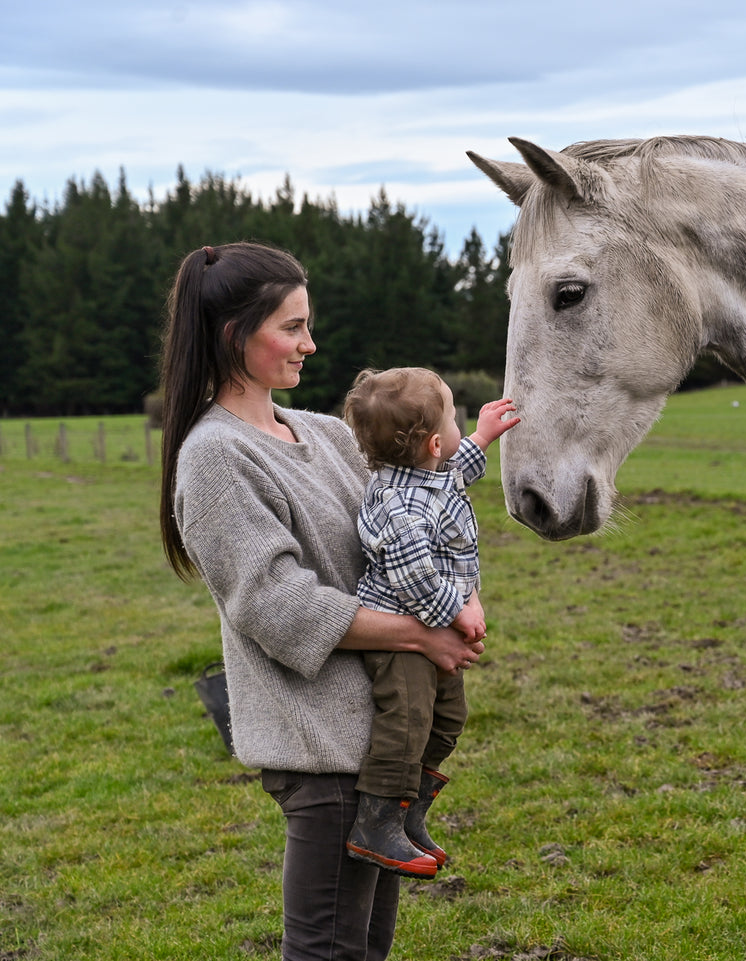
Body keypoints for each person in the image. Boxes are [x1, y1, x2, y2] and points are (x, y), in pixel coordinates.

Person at [158, 241, 488, 961]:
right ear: (232, 335)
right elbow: (278, 605)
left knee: (366, 945)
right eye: (293, 327)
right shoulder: (214, 455)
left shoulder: (331, 433)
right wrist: (420, 635)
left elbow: (415, 499)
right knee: (327, 949)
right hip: (319, 751)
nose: (311, 343)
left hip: (371, 747)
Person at [339, 367, 517, 879]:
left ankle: (409, 813)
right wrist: (457, 611)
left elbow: (456, 469)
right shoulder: (397, 505)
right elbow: (413, 574)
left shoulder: (428, 475)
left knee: (448, 718)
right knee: (407, 723)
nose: (462, 425)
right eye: (457, 416)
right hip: (399, 637)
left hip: (427, 630)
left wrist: (482, 434)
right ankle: (375, 825)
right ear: (435, 442)